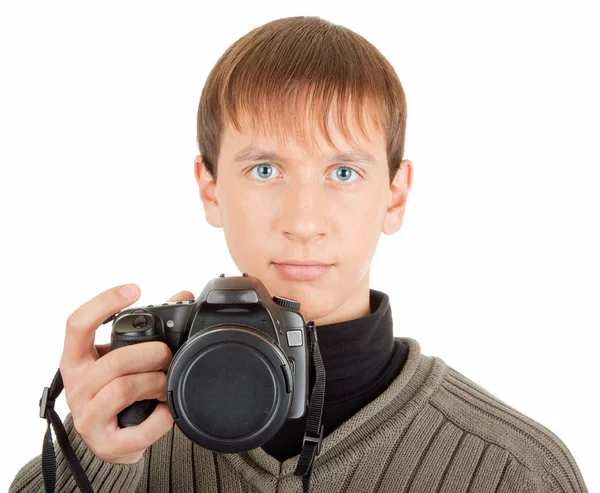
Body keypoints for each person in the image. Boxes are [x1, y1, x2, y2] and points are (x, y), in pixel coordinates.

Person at [10, 15, 588, 493]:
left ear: (395, 194)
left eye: (343, 171)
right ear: (210, 188)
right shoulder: (110, 446)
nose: (303, 222)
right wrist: (100, 457)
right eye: (265, 170)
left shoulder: (517, 470)